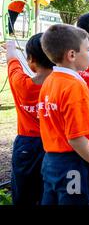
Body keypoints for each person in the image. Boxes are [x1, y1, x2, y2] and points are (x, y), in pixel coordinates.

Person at [38, 24, 89, 205]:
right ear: (72, 55)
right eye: (87, 50)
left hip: (50, 161)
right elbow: (76, 139)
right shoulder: (74, 87)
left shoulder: (50, 82)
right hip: (73, 164)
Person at [6, 35, 54, 205]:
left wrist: (11, 46)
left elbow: (12, 61)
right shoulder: (63, 86)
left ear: (31, 59)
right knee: (48, 191)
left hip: (26, 145)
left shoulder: (21, 84)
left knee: (22, 192)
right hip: (54, 145)